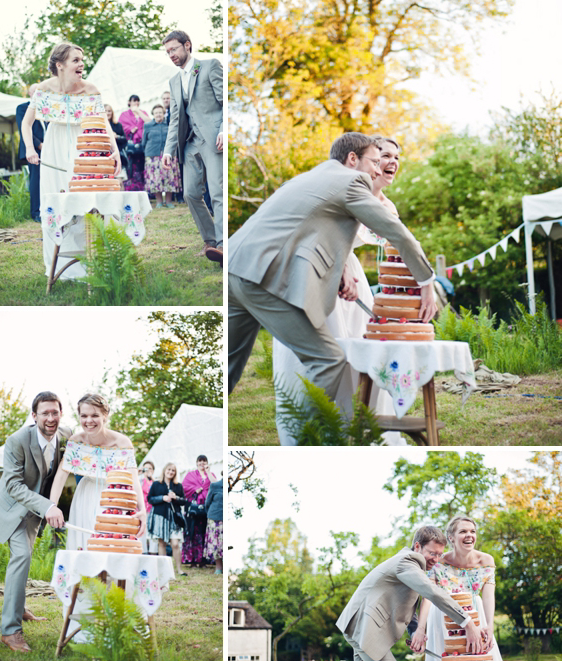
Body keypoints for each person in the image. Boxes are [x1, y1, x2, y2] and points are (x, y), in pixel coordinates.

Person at [228, 132, 437, 403]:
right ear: (353, 159)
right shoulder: (353, 182)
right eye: (374, 162)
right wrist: (426, 281)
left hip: (234, 268)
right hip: (262, 279)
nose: (376, 170)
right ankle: (312, 439)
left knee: (227, 371)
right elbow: (400, 235)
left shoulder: (310, 177)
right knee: (328, 360)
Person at [272, 137, 407, 445]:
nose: (390, 162)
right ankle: (315, 429)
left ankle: (362, 426)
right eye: (382, 156)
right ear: (359, 160)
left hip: (352, 280)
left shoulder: (385, 204)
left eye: (395, 157)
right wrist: (340, 263)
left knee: (364, 353)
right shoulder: (339, 186)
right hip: (317, 269)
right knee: (322, 354)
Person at [21, 43, 121, 280]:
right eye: (75, 60)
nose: (81, 64)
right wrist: (29, 148)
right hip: (54, 148)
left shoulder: (90, 90)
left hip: (85, 145)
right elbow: (26, 123)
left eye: (81, 59)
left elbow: (103, 123)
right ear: (60, 65)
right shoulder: (44, 89)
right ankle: (59, 266)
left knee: (89, 201)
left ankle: (94, 262)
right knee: (56, 202)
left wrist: (113, 150)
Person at [336, 526, 486, 661]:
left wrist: (414, 632)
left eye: (439, 555)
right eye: (432, 553)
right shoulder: (407, 562)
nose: (436, 559)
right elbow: (433, 593)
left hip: (358, 626)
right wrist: (467, 623)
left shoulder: (411, 567)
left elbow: (405, 604)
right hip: (365, 628)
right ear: (417, 546)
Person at [0, 391, 71, 653]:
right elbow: (12, 484)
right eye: (44, 413)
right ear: (34, 416)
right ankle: (10, 631)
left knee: (27, 555)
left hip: (35, 512)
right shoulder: (17, 441)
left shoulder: (66, 438)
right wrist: (48, 506)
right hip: (12, 508)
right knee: (21, 557)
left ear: (61, 414)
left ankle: (20, 608)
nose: (50, 418)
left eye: (54, 412)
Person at [49, 393, 146, 551]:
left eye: (95, 415)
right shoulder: (76, 441)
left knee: (112, 544)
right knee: (85, 544)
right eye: (84, 416)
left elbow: (132, 479)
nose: (88, 421)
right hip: (85, 496)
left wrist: (141, 510)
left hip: (113, 498)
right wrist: (52, 506)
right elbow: (61, 475)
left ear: (105, 416)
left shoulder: (121, 442)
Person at [162, 30, 224, 266]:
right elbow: (175, 118)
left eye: (174, 49)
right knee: (189, 193)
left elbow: (224, 100)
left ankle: (221, 245)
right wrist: (169, 150)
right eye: (168, 52)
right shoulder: (174, 81)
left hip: (212, 137)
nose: (171, 55)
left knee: (217, 192)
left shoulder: (210, 67)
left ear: (187, 45)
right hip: (189, 143)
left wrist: (223, 129)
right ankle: (210, 241)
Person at [410, 516, 501, 661]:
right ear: (451, 538)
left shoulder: (486, 561)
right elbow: (428, 597)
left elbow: (488, 597)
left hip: (475, 613)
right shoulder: (438, 562)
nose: (469, 535)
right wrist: (420, 629)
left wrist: (490, 626)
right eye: (463, 531)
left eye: (472, 531)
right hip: (442, 616)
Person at [147, 462, 187, 574]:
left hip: (174, 519)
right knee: (162, 543)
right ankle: (163, 570)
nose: (170, 472)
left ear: (175, 473)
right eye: (169, 469)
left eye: (173, 470)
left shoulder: (178, 485)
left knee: (175, 543)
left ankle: (179, 570)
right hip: (160, 517)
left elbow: (184, 501)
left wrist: (176, 498)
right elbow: (150, 499)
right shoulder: (156, 484)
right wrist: (162, 498)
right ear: (164, 470)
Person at [142, 104, 182, 207]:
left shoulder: (169, 125)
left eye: (160, 112)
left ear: (164, 113)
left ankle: (168, 201)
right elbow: (144, 142)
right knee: (156, 179)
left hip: (169, 155)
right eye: (156, 113)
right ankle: (159, 201)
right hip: (152, 155)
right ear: (153, 114)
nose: (158, 114)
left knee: (169, 178)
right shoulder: (147, 125)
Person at [182, 455, 217, 566]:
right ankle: (192, 559)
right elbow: (184, 487)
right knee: (192, 533)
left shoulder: (211, 475)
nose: (202, 463)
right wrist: (195, 489)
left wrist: (208, 472)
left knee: (204, 532)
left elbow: (216, 485)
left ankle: (203, 560)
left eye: (204, 461)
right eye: (200, 461)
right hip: (193, 509)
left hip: (206, 508)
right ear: (196, 463)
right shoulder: (190, 475)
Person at [16, 83, 44, 221]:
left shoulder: (47, 108)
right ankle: (36, 212)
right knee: (36, 179)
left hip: (49, 149)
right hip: (33, 150)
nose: (39, 93)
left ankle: (48, 208)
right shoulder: (22, 108)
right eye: (35, 91)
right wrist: (39, 146)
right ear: (29, 94)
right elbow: (24, 128)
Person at [119, 95, 150, 192]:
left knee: (142, 168)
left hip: (142, 145)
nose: (136, 103)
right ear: (129, 102)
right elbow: (121, 127)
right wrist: (130, 129)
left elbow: (149, 122)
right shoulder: (124, 114)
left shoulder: (143, 113)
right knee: (130, 168)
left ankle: (143, 190)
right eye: (134, 101)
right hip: (130, 146)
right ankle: (131, 189)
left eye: (137, 101)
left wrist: (138, 112)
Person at [204, 477, 223, 575]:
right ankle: (219, 567)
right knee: (217, 544)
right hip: (215, 518)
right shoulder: (215, 485)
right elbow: (207, 503)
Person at [139, 460, 158, 554]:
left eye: (150, 468)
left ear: (153, 470)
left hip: (153, 510)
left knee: (153, 532)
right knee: (142, 530)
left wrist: (152, 478)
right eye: (146, 468)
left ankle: (153, 552)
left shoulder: (155, 482)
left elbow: (160, 490)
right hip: (142, 509)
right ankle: (143, 551)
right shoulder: (140, 481)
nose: (148, 470)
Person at [105, 103, 128, 176]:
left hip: (117, 156)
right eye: (105, 111)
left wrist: (116, 136)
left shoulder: (118, 125)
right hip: (105, 157)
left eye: (109, 111)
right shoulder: (99, 126)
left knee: (119, 179)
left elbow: (125, 140)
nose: (107, 113)